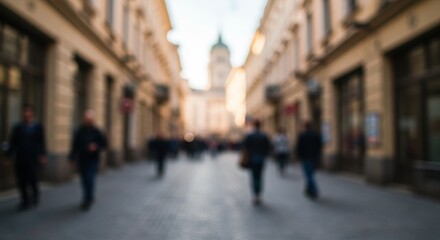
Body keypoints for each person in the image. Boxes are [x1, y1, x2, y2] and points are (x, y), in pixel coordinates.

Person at [6, 105, 46, 211]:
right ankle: (25, 200)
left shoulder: (37, 127)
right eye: (25, 112)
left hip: (33, 158)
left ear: (32, 114)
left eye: (29, 112)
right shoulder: (18, 128)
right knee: (21, 180)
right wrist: (9, 155)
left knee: (33, 179)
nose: (27, 114)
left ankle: (35, 195)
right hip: (21, 158)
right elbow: (13, 143)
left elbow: (41, 143)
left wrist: (42, 155)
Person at [69, 110, 107, 211]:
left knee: (90, 178)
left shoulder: (97, 131)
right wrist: (72, 158)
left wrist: (96, 147)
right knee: (84, 179)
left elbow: (103, 144)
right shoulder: (80, 131)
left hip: (93, 159)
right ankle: (88, 196)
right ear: (84, 119)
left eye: (90, 118)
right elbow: (75, 145)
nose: (88, 120)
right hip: (82, 159)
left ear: (93, 119)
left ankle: (88, 198)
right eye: (87, 118)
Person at [242, 120, 271, 205]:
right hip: (261, 159)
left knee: (254, 177)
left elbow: (245, 148)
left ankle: (255, 195)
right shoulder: (264, 136)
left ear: (254, 125)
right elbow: (267, 149)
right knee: (260, 176)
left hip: (252, 159)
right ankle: (259, 194)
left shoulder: (250, 136)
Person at [295, 121, 323, 200]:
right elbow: (319, 146)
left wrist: (299, 158)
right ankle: (308, 189)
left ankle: (314, 189)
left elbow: (299, 148)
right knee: (311, 174)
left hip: (306, 158)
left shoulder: (302, 135)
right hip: (314, 157)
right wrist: (318, 156)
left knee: (308, 175)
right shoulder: (316, 135)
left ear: (305, 127)